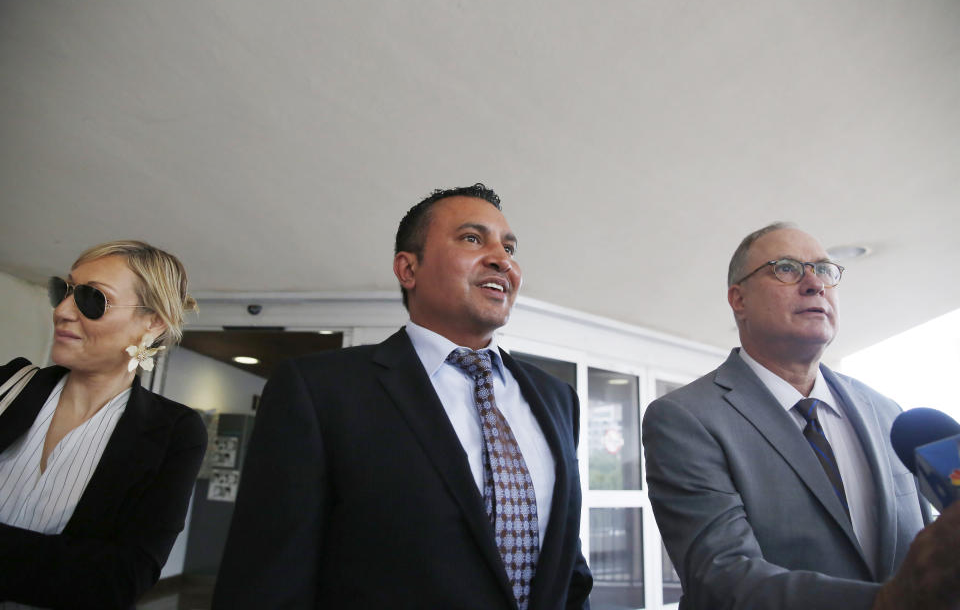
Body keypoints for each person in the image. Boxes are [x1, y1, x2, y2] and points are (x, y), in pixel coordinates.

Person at [213, 184, 592, 609]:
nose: (502, 260)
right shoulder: (319, 391)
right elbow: (267, 579)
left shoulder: (557, 399)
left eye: (509, 247)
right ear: (408, 269)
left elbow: (568, 568)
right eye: (472, 238)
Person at [642, 222, 960, 610]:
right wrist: (889, 602)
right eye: (787, 268)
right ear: (738, 299)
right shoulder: (684, 419)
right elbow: (722, 578)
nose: (815, 284)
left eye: (824, 270)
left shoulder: (887, 412)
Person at [0, 241, 207, 610]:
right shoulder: (7, 385)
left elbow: (120, 580)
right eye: (61, 291)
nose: (62, 311)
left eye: (92, 298)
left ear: (153, 321)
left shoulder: (175, 432)